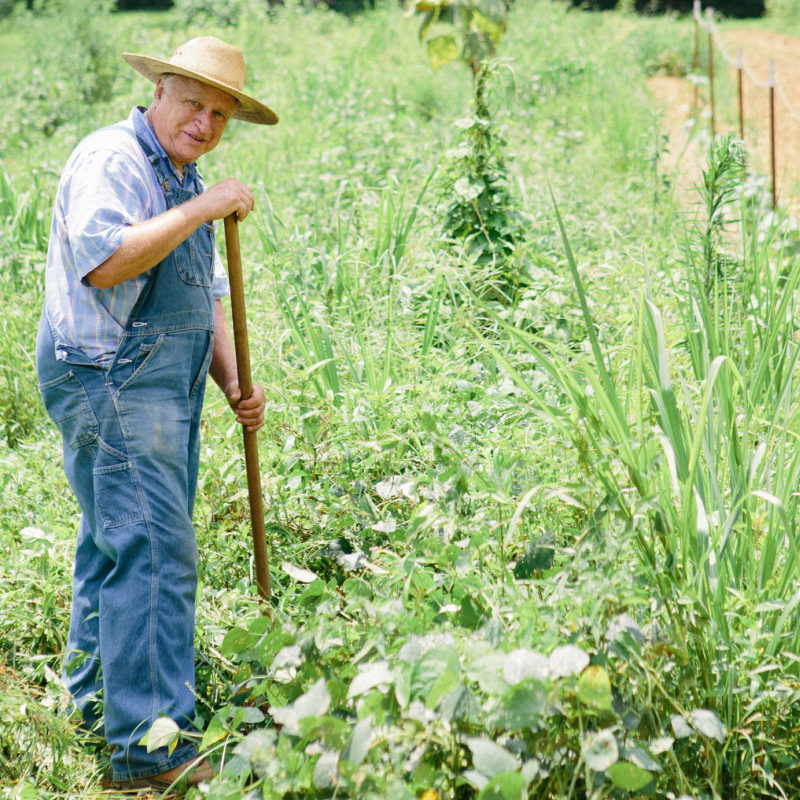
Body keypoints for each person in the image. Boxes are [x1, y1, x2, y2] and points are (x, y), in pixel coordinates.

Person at [35, 36, 278, 791]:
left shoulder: (181, 173)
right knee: (154, 553)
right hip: (108, 375)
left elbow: (199, 293)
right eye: (194, 104)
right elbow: (105, 260)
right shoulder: (116, 160)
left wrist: (235, 382)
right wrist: (206, 206)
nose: (205, 123)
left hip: (160, 384)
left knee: (115, 541)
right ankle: (149, 752)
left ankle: (94, 702)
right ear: (160, 91)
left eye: (220, 113)